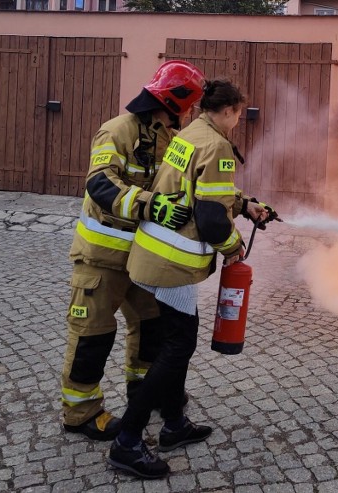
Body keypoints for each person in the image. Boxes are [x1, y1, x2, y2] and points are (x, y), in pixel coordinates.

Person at [106, 79, 274, 478]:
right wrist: (234, 248)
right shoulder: (217, 146)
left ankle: (174, 426)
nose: (238, 122)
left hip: (152, 254)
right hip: (172, 264)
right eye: (238, 114)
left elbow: (199, 192)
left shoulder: (189, 134)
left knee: (175, 342)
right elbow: (213, 219)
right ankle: (127, 441)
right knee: (178, 346)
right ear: (230, 111)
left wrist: (245, 204)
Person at [61, 60, 205, 441]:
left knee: (151, 330)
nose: (190, 113)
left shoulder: (173, 140)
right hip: (101, 259)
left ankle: (146, 394)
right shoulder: (117, 131)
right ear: (176, 100)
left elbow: (190, 184)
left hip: (144, 260)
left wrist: (236, 203)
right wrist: (149, 205)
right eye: (189, 105)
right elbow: (100, 184)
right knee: (93, 335)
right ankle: (81, 412)